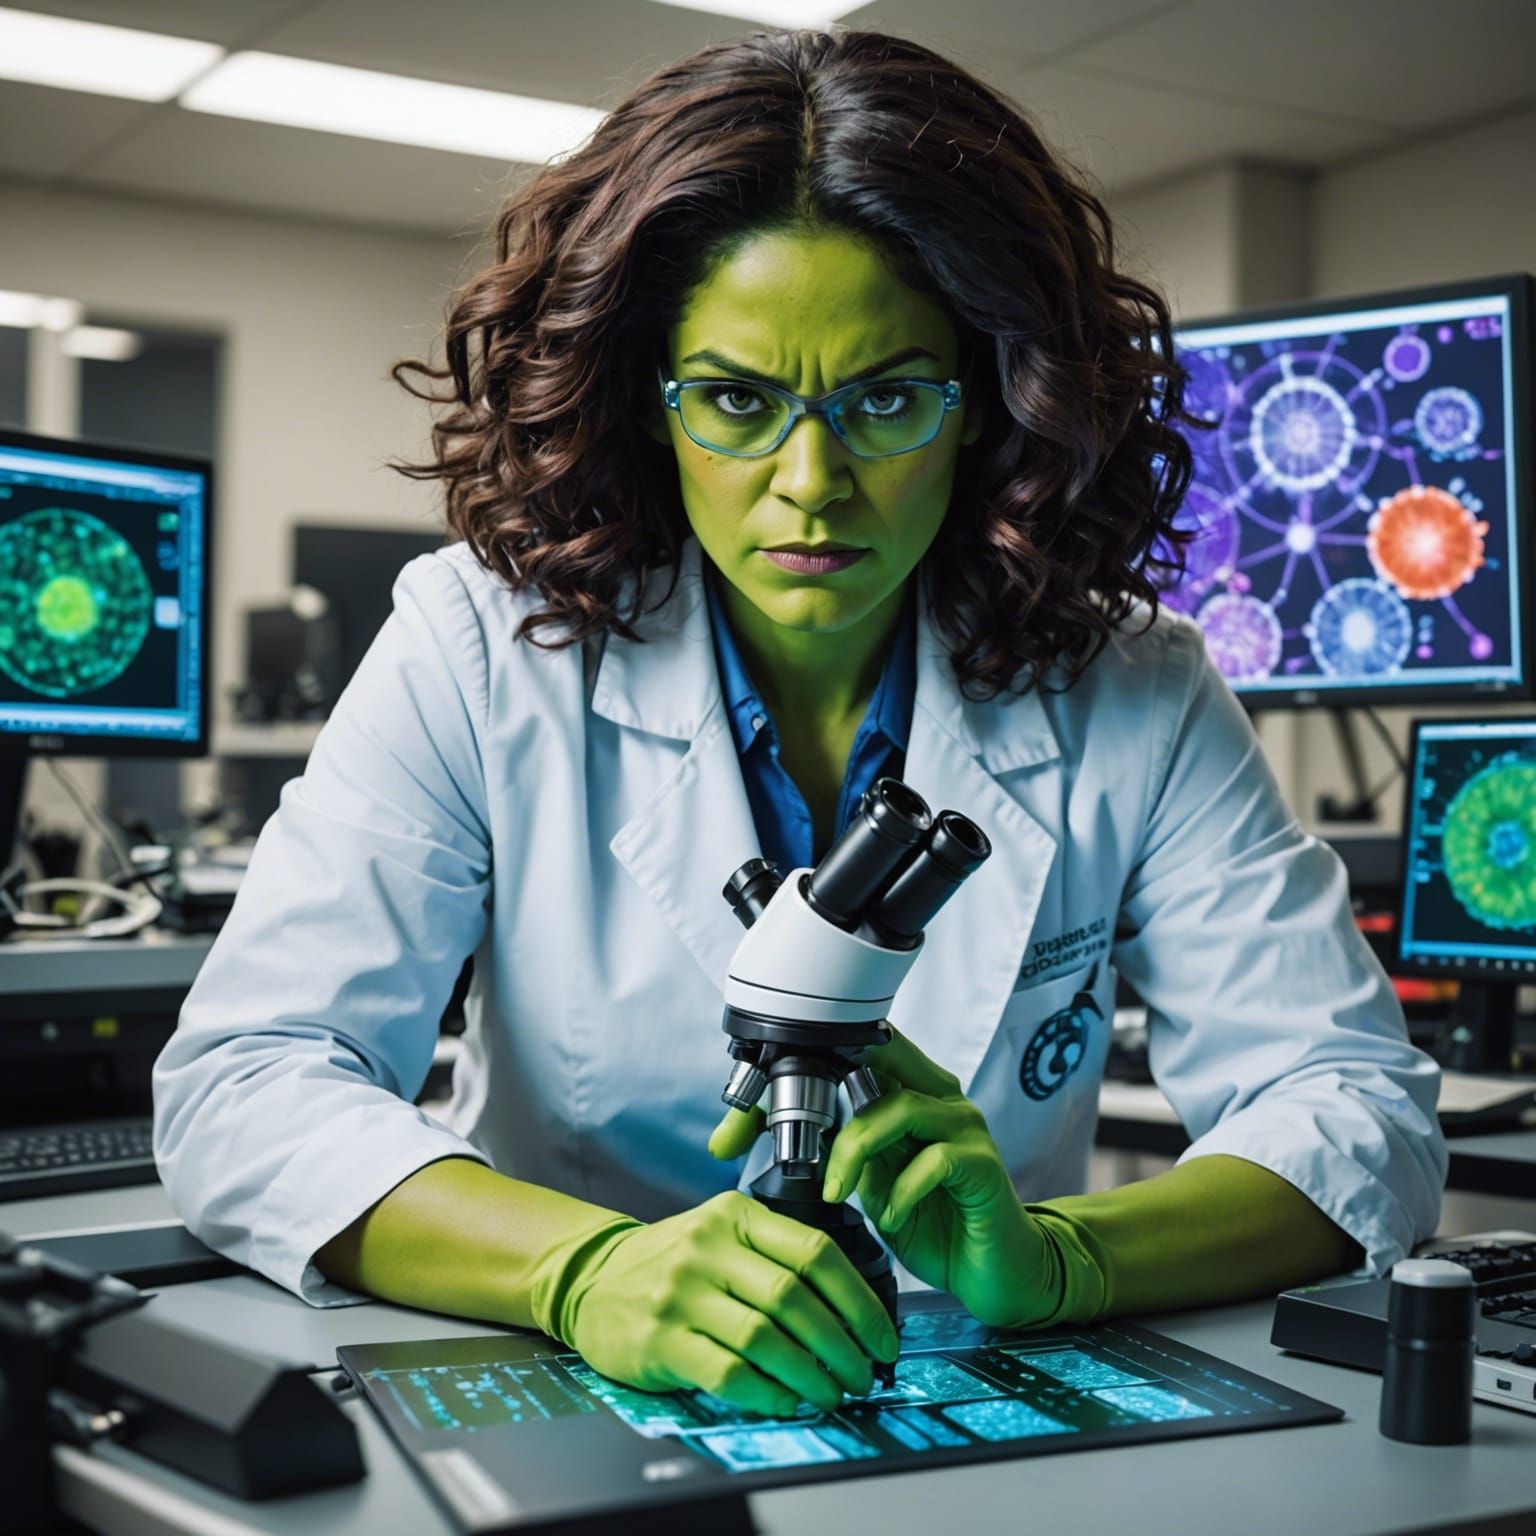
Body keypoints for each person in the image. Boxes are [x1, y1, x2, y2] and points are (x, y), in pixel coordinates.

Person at [153, 28, 1446, 1420]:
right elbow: (249, 1080)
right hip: (571, 1388)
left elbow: (1351, 1104)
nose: (812, 484)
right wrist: (583, 1273)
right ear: (642, 407)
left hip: (981, 1391)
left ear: (992, 403)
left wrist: (1064, 1262)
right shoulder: (481, 644)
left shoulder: (1130, 683)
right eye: (737, 402)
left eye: (888, 397)